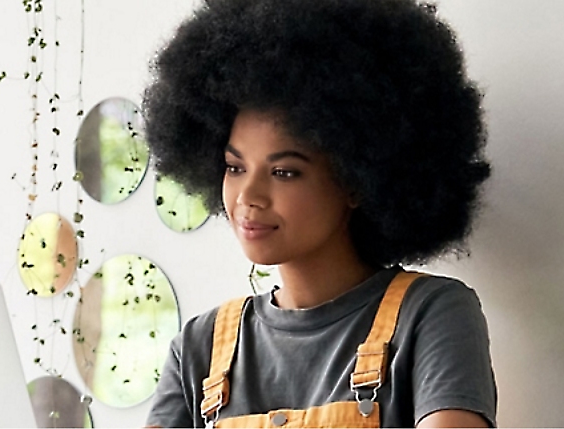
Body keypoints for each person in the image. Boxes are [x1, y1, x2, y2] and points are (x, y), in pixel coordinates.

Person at [141, 0, 496, 427]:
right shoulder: (198, 348)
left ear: (355, 180)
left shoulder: (429, 314)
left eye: (284, 172)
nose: (247, 196)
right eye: (235, 167)